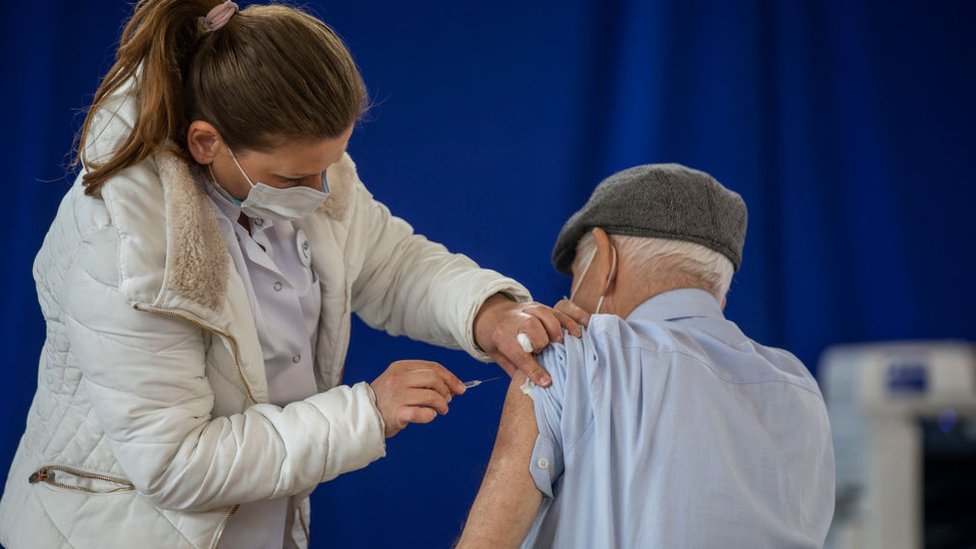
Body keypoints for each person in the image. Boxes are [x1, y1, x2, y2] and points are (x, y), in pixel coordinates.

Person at [0, 1, 582, 547]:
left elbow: (388, 263)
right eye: (294, 179)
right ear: (207, 143)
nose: (321, 193)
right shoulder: (124, 242)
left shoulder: (306, 172)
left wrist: (489, 313)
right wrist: (368, 413)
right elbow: (175, 464)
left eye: (331, 167)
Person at [457, 164, 835, 548]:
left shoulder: (573, 356)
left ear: (605, 262)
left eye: (575, 274)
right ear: (720, 297)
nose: (569, 299)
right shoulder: (799, 386)